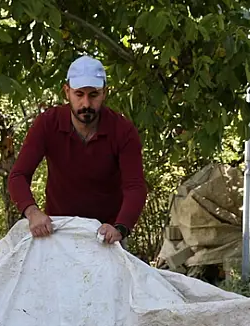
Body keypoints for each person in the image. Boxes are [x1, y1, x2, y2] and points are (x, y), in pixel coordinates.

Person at [8, 55, 147, 244]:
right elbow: (18, 175)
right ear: (67, 92)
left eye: (94, 95)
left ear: (104, 93)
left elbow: (135, 186)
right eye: (79, 94)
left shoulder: (123, 130)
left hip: (106, 233)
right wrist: (32, 212)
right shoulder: (48, 124)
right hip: (58, 230)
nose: (86, 104)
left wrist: (120, 227)